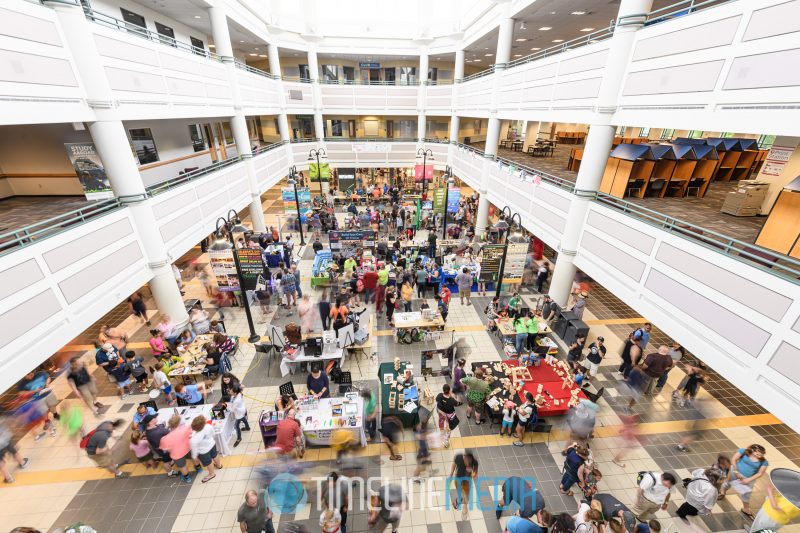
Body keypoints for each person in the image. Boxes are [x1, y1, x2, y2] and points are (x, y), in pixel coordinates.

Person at [721, 444, 769, 518]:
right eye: (757, 454)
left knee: (746, 493)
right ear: (752, 450)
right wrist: (736, 471)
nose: (759, 456)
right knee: (727, 483)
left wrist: (748, 480)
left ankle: (746, 509)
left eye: (761, 455)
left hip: (748, 478)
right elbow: (734, 459)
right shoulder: (743, 451)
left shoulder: (764, 462)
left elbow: (760, 473)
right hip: (735, 471)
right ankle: (722, 492)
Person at [17, 368, 60, 440]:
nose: (31, 375)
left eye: (32, 373)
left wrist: (47, 384)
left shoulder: (41, 373)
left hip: (48, 393)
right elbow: (20, 393)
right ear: (25, 375)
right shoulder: (21, 383)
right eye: (29, 375)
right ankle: (47, 422)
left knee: (52, 405)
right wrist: (33, 391)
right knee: (44, 410)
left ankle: (55, 414)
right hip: (37, 398)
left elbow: (48, 377)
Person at [159, 414, 199, 484]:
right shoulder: (185, 429)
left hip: (177, 454)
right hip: (188, 448)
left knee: (183, 466)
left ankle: (187, 478)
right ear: (179, 423)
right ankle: (199, 469)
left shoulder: (165, 438)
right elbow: (192, 430)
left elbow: (164, 449)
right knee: (194, 458)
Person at [190, 415, 223, 483]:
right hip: (212, 444)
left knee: (208, 462)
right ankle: (219, 465)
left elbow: (194, 449)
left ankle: (211, 474)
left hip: (203, 451)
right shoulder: (208, 426)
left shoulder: (194, 438)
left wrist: (194, 457)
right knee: (215, 455)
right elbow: (213, 434)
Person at [450, 450, 479, 519]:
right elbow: (454, 464)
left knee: (466, 494)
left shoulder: (474, 462)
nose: (468, 463)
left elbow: (475, 473)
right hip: (458, 478)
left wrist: (473, 473)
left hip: (466, 480)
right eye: (466, 460)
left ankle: (465, 507)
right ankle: (459, 499)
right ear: (464, 457)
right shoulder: (459, 457)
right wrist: (451, 473)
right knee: (459, 490)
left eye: (469, 461)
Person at [0, 417, 29, 483]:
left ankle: (9, 478)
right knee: (14, 452)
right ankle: (22, 463)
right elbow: (6, 423)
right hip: (5, 440)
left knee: (1, 462)